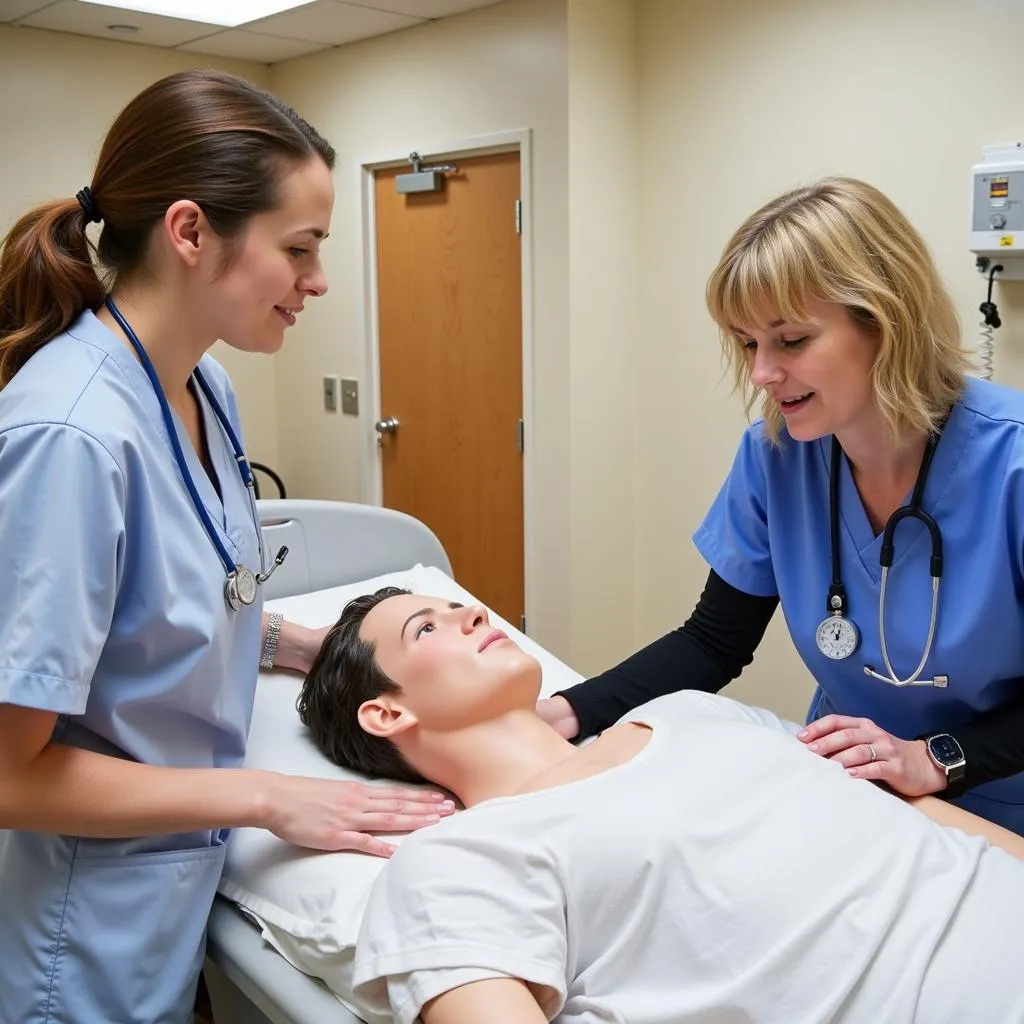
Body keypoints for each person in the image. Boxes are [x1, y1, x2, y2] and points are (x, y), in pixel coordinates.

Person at [0, 70, 452, 1024]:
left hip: (183, 890)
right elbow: (9, 772)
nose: (319, 281)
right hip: (88, 937)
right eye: (300, 248)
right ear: (192, 231)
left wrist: (311, 646)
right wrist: (266, 796)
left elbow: (182, 600)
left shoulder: (205, 389)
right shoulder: (70, 437)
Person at [538, 176, 1024, 836]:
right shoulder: (777, 454)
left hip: (1000, 800)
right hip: (855, 786)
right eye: (747, 344)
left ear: (886, 322)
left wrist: (936, 759)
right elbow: (714, 641)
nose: (763, 373)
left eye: (791, 341)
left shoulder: (1011, 465)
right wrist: (566, 712)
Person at [297, 587, 1024, 1024]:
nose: (472, 615)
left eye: (458, 606)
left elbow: (928, 824)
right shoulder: (455, 863)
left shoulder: (694, 712)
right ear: (384, 715)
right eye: (426, 628)